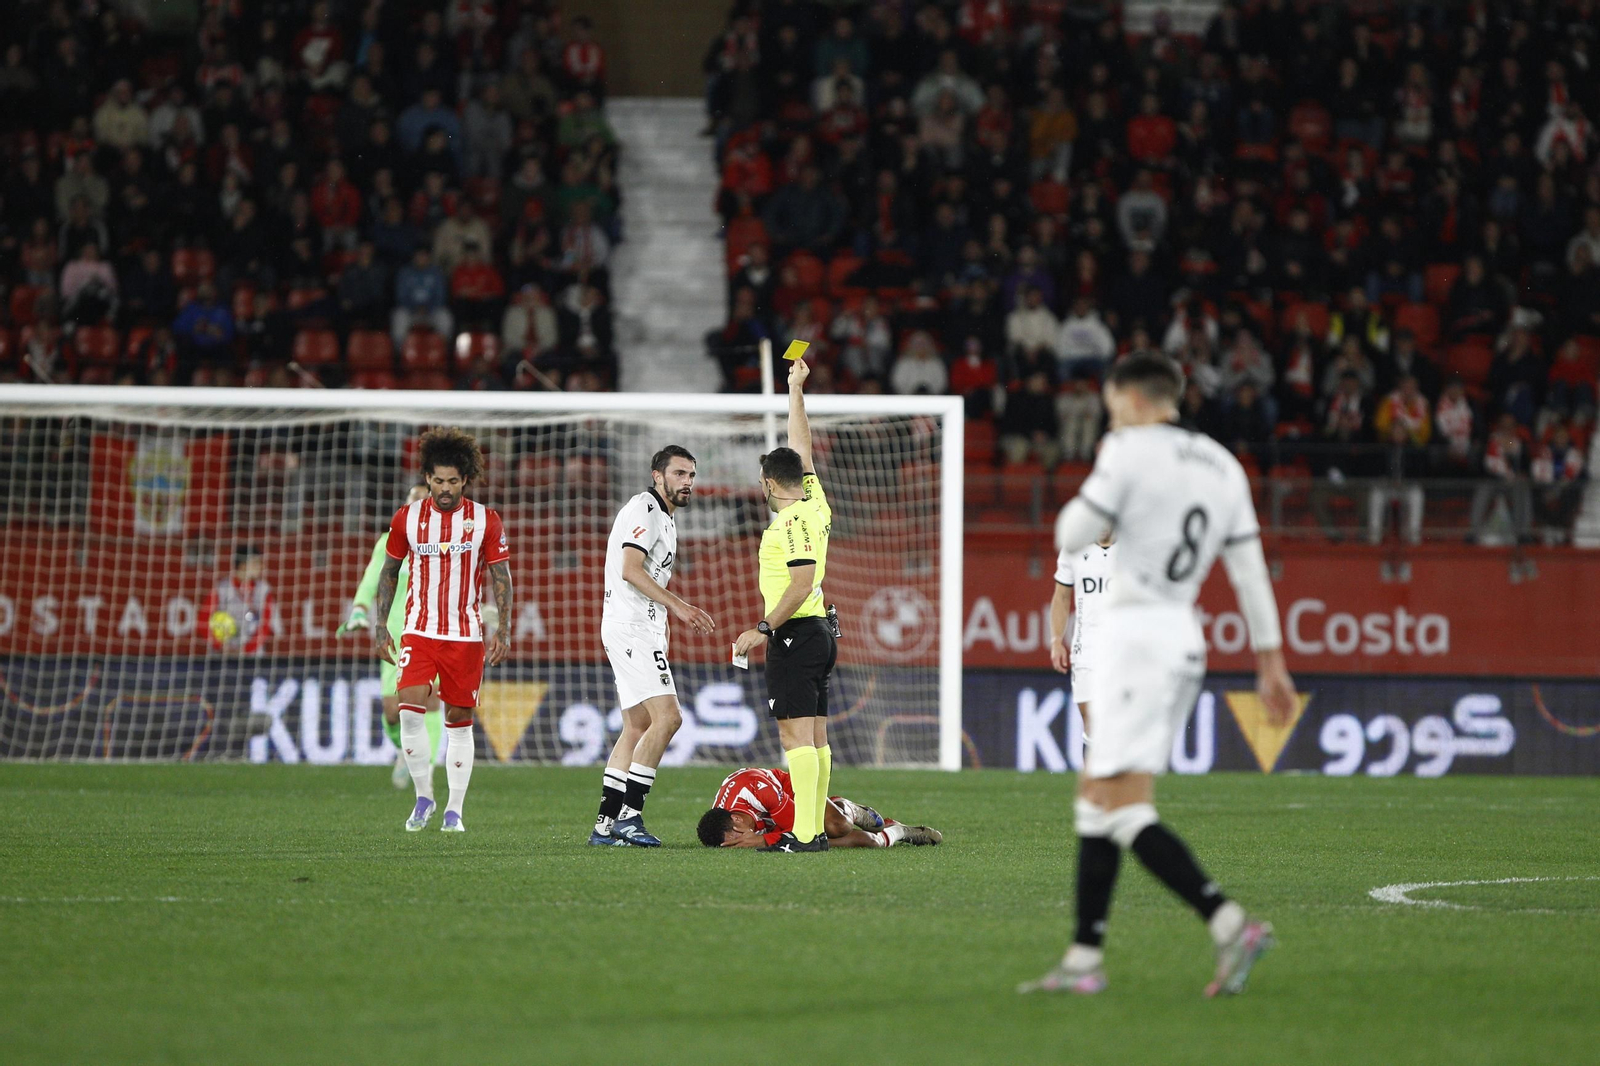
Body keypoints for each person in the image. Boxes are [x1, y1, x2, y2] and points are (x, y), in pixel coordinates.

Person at [1024, 353, 1295, 997]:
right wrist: (1271, 661)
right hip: (1180, 641)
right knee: (1097, 803)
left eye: (1114, 408)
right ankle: (1084, 960)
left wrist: (1107, 474)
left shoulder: (1130, 451)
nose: (1111, 419)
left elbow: (1072, 528)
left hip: (1133, 642)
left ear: (1137, 402)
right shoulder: (1224, 466)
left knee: (1122, 809)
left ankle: (1230, 924)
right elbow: (1251, 573)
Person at [373, 429, 513, 833]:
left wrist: (502, 628)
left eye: (453, 480)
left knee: (459, 720)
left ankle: (454, 809)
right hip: (418, 630)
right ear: (427, 478)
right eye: (438, 480)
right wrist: (382, 625)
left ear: (465, 479)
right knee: (409, 710)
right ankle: (423, 797)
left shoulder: (486, 519)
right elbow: (389, 572)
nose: (445, 488)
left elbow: (501, 576)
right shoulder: (408, 517)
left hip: (465, 634)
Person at [732, 358, 836, 853]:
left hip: (795, 632)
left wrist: (763, 628)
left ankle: (807, 832)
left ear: (770, 484)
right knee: (814, 738)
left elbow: (801, 582)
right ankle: (811, 832)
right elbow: (803, 446)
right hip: (819, 631)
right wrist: (795, 389)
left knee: (796, 741)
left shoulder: (792, 521)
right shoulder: (815, 503)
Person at [591, 446, 718, 847]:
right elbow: (630, 570)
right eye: (679, 474)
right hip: (630, 629)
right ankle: (631, 817)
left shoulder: (665, 518)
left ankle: (605, 826)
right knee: (669, 718)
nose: (687, 482)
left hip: (634, 628)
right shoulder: (645, 507)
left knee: (637, 726)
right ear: (657, 475)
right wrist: (679, 607)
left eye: (691, 476)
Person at [338, 484, 444, 790]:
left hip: (433, 632)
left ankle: (429, 768)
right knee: (393, 713)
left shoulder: (445, 544)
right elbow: (372, 579)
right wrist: (359, 609)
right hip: (396, 638)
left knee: (432, 701)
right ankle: (402, 751)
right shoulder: (389, 541)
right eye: (414, 500)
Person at [697, 767, 941, 849]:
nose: (741, 842)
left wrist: (762, 841)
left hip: (789, 788)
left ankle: (845, 807)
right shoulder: (721, 822)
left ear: (738, 821)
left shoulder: (759, 791)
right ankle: (898, 831)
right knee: (868, 841)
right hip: (768, 816)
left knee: (837, 827)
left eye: (738, 839)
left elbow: (804, 832)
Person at [1049, 528, 1116, 748]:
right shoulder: (1074, 547)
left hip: (1124, 644)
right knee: (1091, 719)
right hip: (1087, 644)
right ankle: (1095, 781)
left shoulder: (1134, 548)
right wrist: (1056, 640)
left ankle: (1119, 780)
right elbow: (1061, 596)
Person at [200, 545, 281, 655]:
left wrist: (244, 650)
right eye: (256, 563)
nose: (261, 566)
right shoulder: (222, 589)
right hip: (222, 656)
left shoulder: (263, 591)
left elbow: (265, 627)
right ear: (243, 565)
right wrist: (221, 646)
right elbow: (203, 621)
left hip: (253, 658)